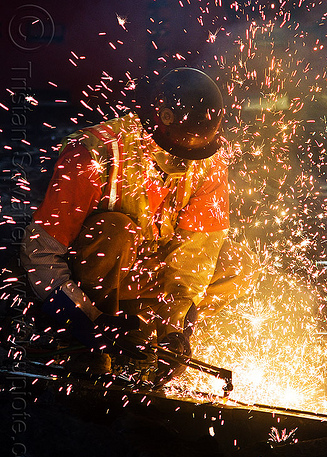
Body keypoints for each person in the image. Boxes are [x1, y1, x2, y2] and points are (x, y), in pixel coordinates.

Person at [20, 67, 259, 384]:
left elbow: (198, 252)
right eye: (179, 149)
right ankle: (84, 347)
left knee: (238, 264)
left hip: (141, 279)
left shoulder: (208, 160)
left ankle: (148, 335)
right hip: (92, 283)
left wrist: (175, 327)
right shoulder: (95, 153)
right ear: (161, 120)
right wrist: (86, 321)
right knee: (115, 229)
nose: (185, 162)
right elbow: (39, 256)